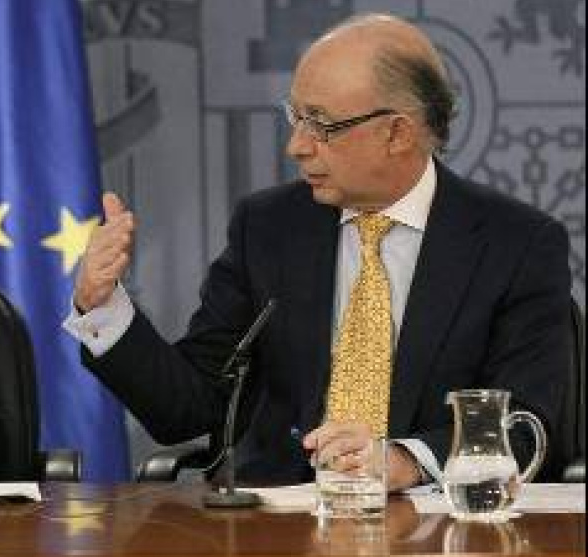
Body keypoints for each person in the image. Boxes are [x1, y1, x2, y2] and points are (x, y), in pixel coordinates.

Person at [65, 13, 572, 490]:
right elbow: (189, 407)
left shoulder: (517, 244)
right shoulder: (268, 228)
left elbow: (524, 426)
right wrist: (102, 306)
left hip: (432, 524)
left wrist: (405, 460)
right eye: (296, 117)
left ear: (397, 133)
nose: (297, 146)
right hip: (279, 517)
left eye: (321, 125)